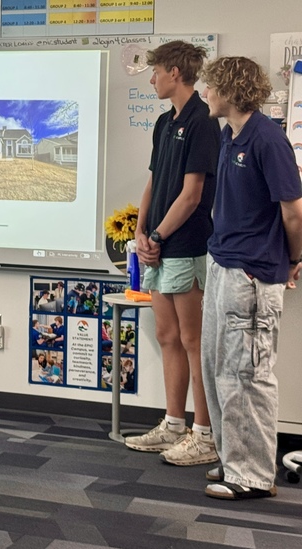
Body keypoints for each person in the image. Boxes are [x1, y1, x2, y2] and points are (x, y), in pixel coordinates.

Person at [198, 56, 302, 500]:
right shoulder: (229, 134)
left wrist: (295, 258)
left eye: (210, 87)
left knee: (248, 376)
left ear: (229, 91)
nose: (206, 93)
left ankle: (254, 476)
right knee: (217, 370)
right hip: (223, 264)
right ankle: (233, 460)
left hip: (253, 276)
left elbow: (294, 210)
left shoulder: (268, 139)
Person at [123, 41, 221, 466]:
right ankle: (174, 424)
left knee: (193, 341)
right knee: (167, 338)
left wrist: (159, 236)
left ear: (175, 73)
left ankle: (205, 433)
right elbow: (152, 183)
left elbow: (193, 194)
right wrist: (141, 232)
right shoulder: (164, 122)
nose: (152, 79)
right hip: (158, 246)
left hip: (185, 245)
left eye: (156, 71)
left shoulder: (203, 121)